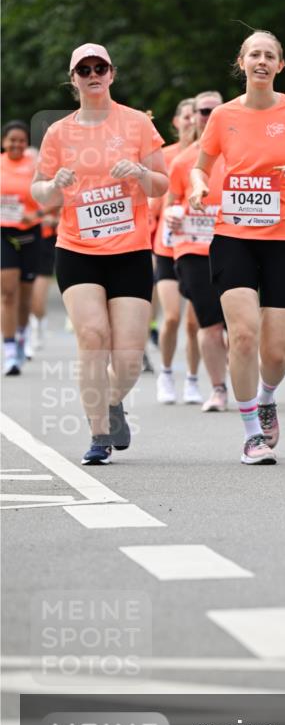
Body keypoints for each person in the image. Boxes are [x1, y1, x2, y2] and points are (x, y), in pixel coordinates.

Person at [190, 30, 285, 464]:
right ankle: (251, 433)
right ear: (242, 62)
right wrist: (196, 187)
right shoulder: (223, 116)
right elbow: (201, 168)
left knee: (276, 351)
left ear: (280, 65)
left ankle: (267, 396)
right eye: (254, 55)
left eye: (270, 55)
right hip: (234, 236)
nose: (262, 61)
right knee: (244, 336)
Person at [31, 43, 167, 465]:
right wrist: (54, 187)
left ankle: (111, 400)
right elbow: (39, 193)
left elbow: (162, 184)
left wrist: (142, 173)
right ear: (73, 79)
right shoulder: (59, 132)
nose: (92, 74)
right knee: (92, 338)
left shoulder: (137, 124)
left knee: (127, 357)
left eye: (100, 67)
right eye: (83, 69)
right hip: (78, 248)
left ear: (112, 74)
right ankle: (98, 434)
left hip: (129, 250)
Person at [165, 90, 229, 412]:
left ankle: (248, 380)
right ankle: (218, 389)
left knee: (241, 326)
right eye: (204, 111)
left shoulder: (240, 153)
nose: (209, 117)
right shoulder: (181, 161)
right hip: (193, 249)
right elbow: (169, 205)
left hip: (235, 244)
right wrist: (172, 217)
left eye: (216, 111)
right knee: (209, 323)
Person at [151, 97, 203, 404]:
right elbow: (153, 199)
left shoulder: (208, 156)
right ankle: (166, 373)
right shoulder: (166, 156)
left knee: (195, 322)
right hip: (168, 244)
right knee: (170, 317)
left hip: (198, 245)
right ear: (176, 122)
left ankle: (193, 381)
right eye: (185, 116)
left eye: (194, 115)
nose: (190, 121)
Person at [1, 120, 41, 374]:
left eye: (21, 140)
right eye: (11, 140)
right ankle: (10, 352)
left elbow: (47, 200)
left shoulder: (34, 167)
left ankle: (23, 334)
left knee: (26, 297)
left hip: (31, 234)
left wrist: (34, 215)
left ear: (26, 143)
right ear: (4, 142)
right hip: (4, 233)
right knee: (7, 293)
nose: (16, 144)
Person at [27, 208, 60, 355]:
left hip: (44, 241)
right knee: (14, 295)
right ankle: (24, 336)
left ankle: (38, 325)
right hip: (16, 238)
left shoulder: (51, 185)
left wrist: (54, 221)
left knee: (37, 301)